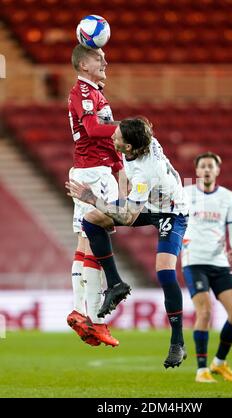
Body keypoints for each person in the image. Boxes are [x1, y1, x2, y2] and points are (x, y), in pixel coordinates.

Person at [66, 117, 188, 368]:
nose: (112, 136)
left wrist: (92, 198)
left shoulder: (145, 171)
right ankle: (116, 284)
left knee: (165, 273)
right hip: (148, 203)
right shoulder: (138, 141)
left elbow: (129, 216)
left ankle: (177, 342)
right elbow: (132, 134)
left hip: (172, 212)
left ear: (129, 147)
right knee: (92, 221)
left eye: (117, 136)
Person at [67, 44, 125, 348]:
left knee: (84, 241)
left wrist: (117, 158)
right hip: (94, 172)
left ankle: (81, 311)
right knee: (97, 242)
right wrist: (125, 129)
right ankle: (97, 320)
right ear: (83, 65)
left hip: (90, 168)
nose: (105, 61)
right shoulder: (85, 93)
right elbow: (91, 127)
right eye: (98, 58)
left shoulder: (91, 92)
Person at [181, 152, 232, 383]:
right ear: (196, 171)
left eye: (211, 166)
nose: (206, 170)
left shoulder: (228, 197)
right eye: (203, 166)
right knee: (205, 312)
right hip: (194, 261)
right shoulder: (186, 194)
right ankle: (201, 370)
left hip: (219, 262)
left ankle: (219, 363)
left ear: (217, 170)